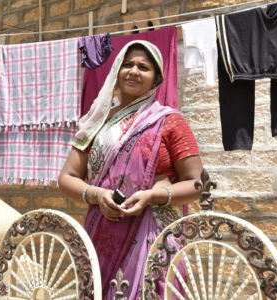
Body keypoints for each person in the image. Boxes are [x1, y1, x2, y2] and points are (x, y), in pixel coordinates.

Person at [58, 40, 203, 299]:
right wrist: (97, 195)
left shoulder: (170, 121)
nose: (134, 71)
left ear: (156, 78)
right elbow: (67, 178)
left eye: (143, 67)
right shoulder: (96, 122)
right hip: (102, 233)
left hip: (155, 237)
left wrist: (153, 196)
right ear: (116, 70)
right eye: (128, 64)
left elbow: (195, 184)